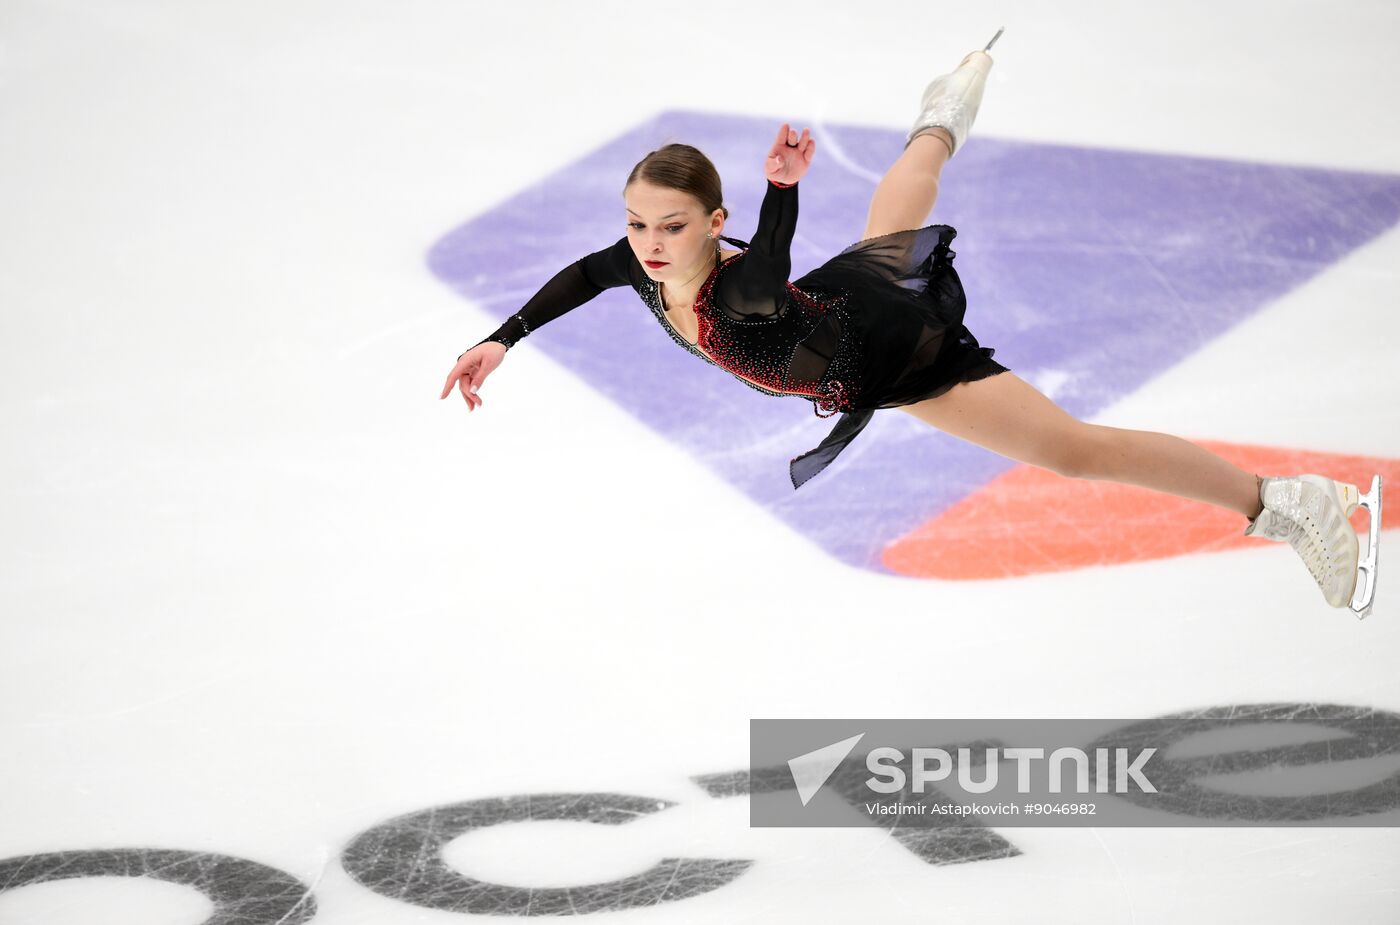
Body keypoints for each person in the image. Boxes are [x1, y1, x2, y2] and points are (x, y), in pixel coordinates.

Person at [439, 42, 1381, 618]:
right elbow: (580, 275)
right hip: (842, 310)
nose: (647, 244)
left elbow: (769, 267)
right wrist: (504, 336)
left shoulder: (736, 292)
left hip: (891, 350)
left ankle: (1292, 502)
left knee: (1072, 452)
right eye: (638, 222)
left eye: (672, 225)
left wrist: (780, 190)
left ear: (713, 222)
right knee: (894, 219)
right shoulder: (639, 268)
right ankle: (940, 116)